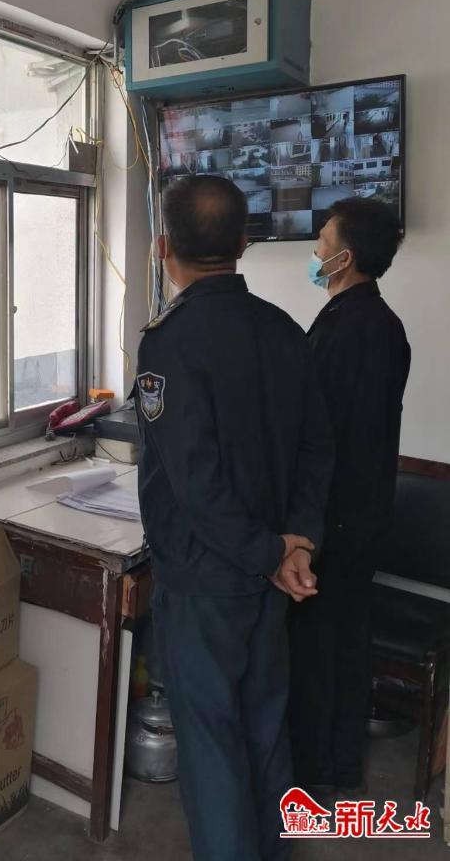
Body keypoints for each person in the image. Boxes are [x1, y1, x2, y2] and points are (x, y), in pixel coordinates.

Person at [134, 175, 333, 861]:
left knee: (213, 747)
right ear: (244, 243)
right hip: (271, 575)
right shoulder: (284, 331)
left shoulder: (169, 343)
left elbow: (197, 486)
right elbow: (317, 449)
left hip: (207, 580)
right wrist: (295, 544)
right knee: (265, 729)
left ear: (164, 248)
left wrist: (270, 553)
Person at [289, 197, 410, 795]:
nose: (315, 249)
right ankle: (336, 768)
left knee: (322, 649)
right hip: (360, 514)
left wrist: (303, 527)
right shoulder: (376, 323)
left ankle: (316, 776)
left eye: (323, 240)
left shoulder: (351, 330)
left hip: (335, 520)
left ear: (346, 257)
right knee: (342, 645)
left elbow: (322, 435)